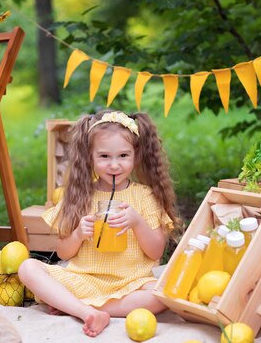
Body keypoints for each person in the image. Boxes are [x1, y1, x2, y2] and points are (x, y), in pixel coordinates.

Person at [19, 110, 180, 337]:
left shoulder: (145, 197)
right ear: (90, 157)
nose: (114, 165)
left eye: (123, 156)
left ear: (136, 155)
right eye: (104, 157)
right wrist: (78, 235)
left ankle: (78, 308)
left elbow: (156, 251)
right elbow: (63, 253)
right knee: (27, 268)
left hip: (131, 284)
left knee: (163, 293)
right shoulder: (79, 196)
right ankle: (86, 309)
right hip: (84, 279)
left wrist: (136, 222)